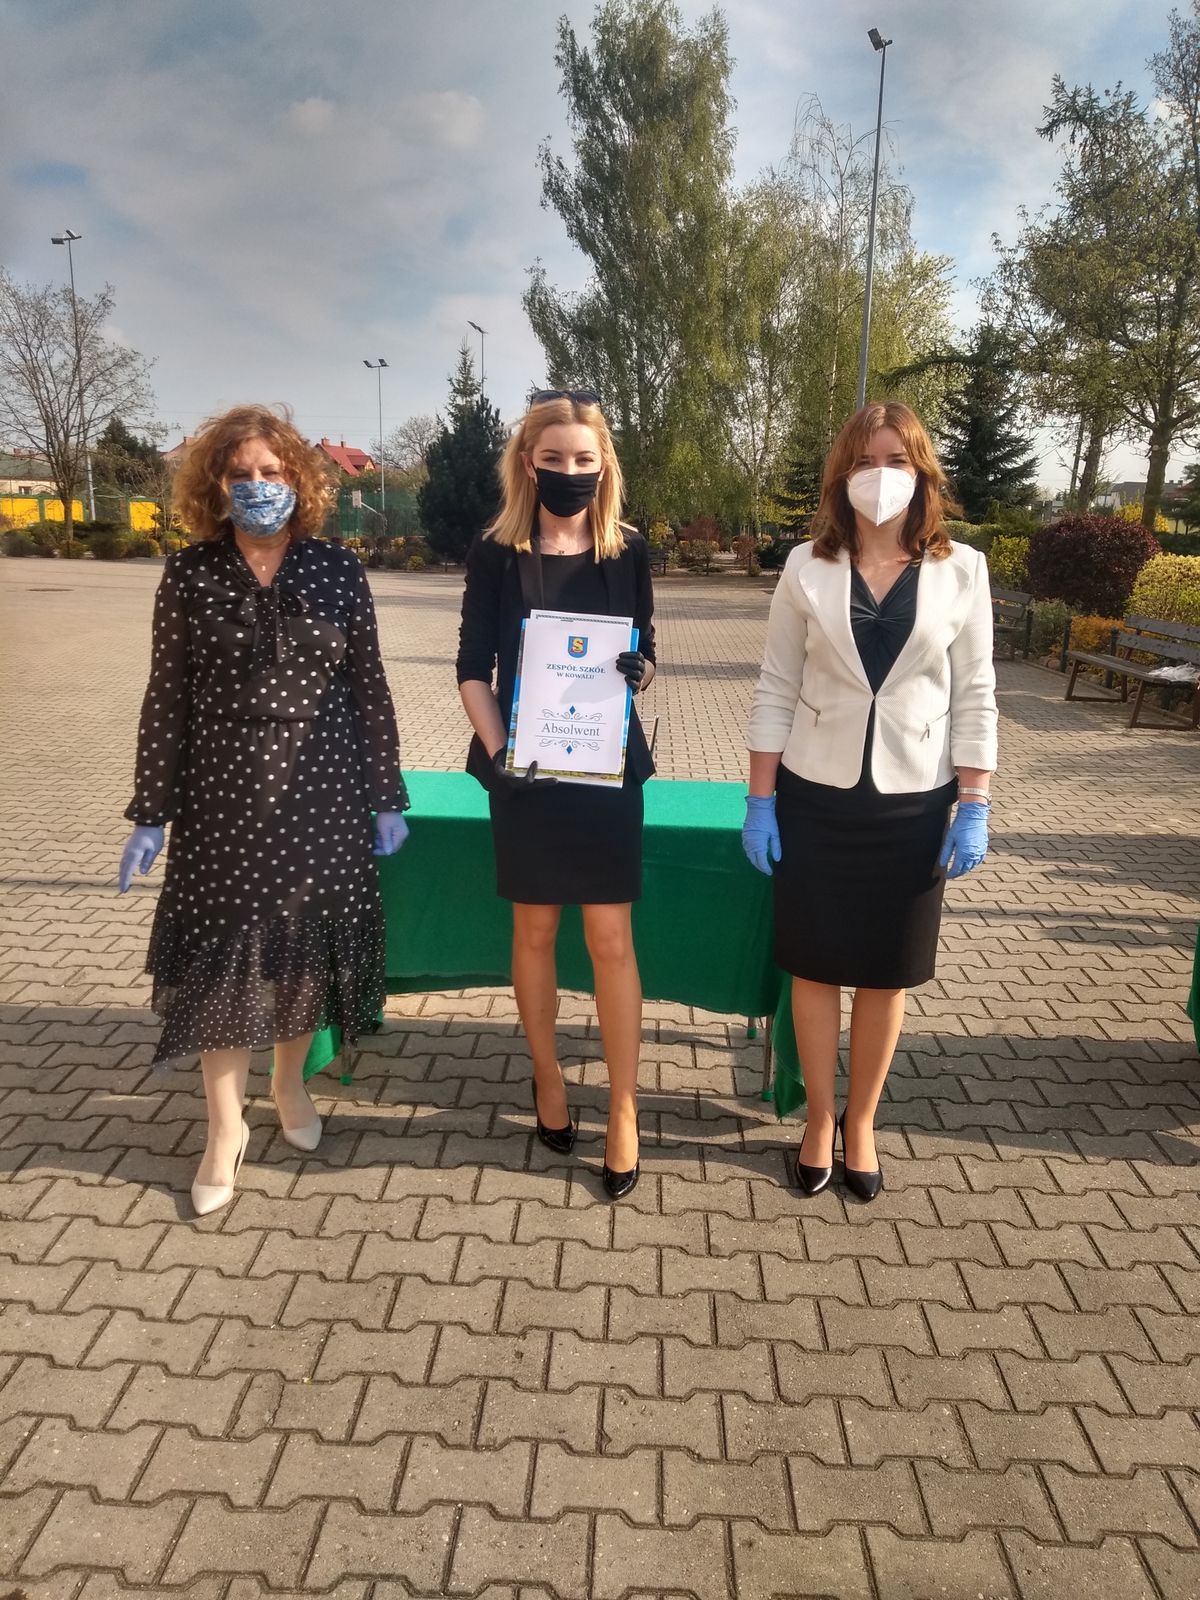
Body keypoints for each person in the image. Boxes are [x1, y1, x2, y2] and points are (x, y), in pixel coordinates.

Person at [117, 405, 410, 1217]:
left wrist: (387, 794)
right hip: (222, 793)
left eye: (271, 472)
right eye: (240, 473)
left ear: (298, 480)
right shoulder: (189, 574)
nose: (257, 485)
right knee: (220, 962)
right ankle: (223, 1128)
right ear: (216, 484)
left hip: (323, 789)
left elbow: (370, 689)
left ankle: (288, 1086)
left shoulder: (337, 570)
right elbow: (166, 696)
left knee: (299, 953)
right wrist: (150, 811)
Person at [743, 401, 997, 1201]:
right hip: (814, 795)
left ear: (922, 474)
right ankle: (819, 1117)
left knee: (886, 975)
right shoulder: (804, 567)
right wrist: (759, 799)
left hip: (913, 801)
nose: (878, 476)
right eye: (862, 461)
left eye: (895, 460)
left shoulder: (963, 570)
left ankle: (862, 1121)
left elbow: (976, 691)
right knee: (816, 968)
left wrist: (976, 799)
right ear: (840, 476)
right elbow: (776, 685)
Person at [456, 391, 656, 1199]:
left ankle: (625, 1105)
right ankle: (547, 1075)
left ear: (604, 465)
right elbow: (472, 667)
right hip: (526, 770)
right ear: (527, 463)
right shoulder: (495, 553)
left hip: (604, 768)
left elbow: (644, 646)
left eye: (584, 459)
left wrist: (642, 669)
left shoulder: (629, 550)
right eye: (553, 458)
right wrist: (499, 752)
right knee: (534, 931)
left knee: (611, 939)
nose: (569, 471)